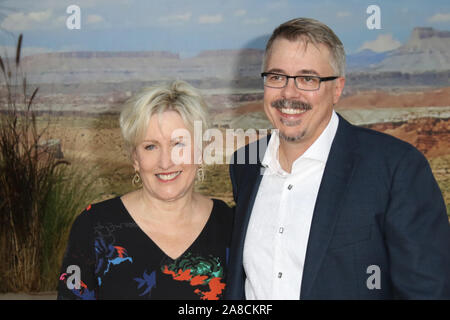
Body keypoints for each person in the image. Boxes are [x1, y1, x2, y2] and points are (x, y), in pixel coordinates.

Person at [226, 17, 450, 300]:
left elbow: (427, 291)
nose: (288, 93)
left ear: (337, 88)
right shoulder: (244, 164)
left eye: (308, 78)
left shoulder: (396, 169)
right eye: (276, 76)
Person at [58, 80, 233, 300]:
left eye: (179, 144)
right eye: (150, 146)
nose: (166, 162)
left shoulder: (230, 225)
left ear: (201, 151)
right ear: (135, 158)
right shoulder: (94, 228)